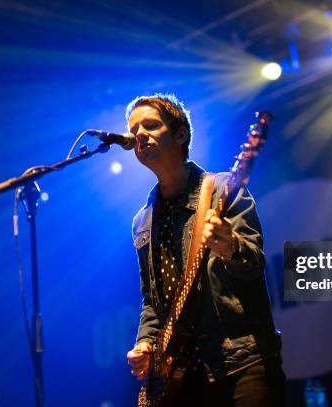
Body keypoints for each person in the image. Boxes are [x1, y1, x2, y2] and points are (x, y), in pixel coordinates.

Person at [124, 93, 285, 406]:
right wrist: (145, 343)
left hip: (241, 362)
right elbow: (152, 301)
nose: (139, 134)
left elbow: (254, 264)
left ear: (180, 133)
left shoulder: (224, 189)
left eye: (151, 125)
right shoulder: (142, 221)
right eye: (133, 131)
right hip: (182, 379)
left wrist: (229, 245)